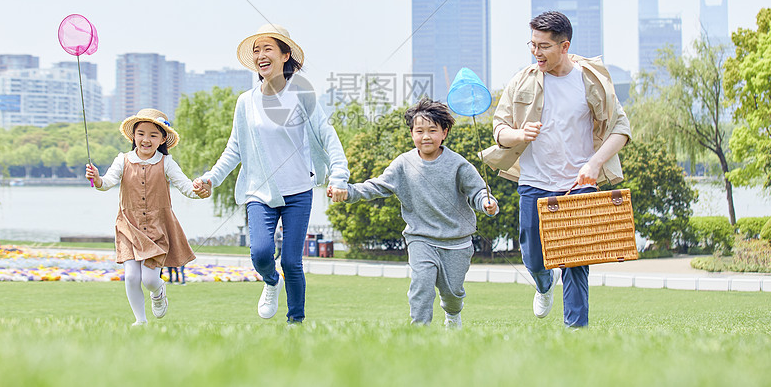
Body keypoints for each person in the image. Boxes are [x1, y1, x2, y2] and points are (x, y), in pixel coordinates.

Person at [480, 11, 631, 328]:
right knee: (533, 256)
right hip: (534, 183)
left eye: (544, 46)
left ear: (565, 46)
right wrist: (519, 135)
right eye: (532, 44)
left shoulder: (591, 80)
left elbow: (620, 128)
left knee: (577, 263)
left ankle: (576, 332)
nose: (536, 52)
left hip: (579, 183)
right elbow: (499, 130)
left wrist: (594, 163)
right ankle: (544, 283)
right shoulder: (522, 80)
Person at [193, 23, 349, 324]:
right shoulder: (246, 102)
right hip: (259, 191)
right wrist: (211, 177)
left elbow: (328, 137)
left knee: (292, 261)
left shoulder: (302, 95)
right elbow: (234, 149)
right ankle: (271, 282)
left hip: (298, 191)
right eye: (256, 50)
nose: (261, 55)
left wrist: (339, 176)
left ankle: (296, 322)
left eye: (268, 49)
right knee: (261, 254)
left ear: (284, 55)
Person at [328, 98, 499, 328]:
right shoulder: (403, 164)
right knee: (421, 285)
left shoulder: (458, 164)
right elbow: (377, 186)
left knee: (452, 294)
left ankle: (452, 314)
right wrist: (348, 192)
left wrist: (487, 203)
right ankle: (419, 332)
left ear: (444, 133)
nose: (425, 136)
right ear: (412, 134)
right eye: (419, 131)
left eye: (432, 130)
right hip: (420, 238)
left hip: (457, 242)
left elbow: (478, 192)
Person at [86, 108, 208, 327]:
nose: (146, 139)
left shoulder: (166, 163)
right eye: (141, 133)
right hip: (128, 226)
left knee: (150, 279)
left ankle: (159, 292)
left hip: (156, 228)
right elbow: (106, 183)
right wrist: (96, 178)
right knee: (132, 277)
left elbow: (187, 187)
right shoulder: (123, 160)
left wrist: (198, 189)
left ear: (162, 139)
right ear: (133, 136)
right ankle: (140, 321)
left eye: (153, 135)